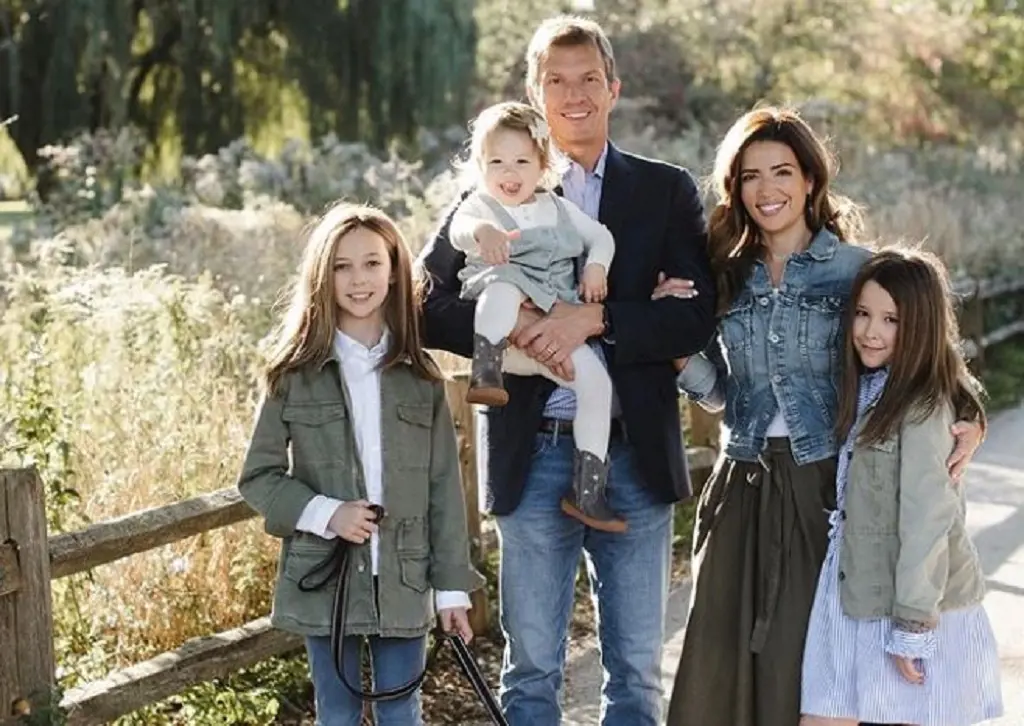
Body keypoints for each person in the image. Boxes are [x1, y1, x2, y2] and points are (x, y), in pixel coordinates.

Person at [416, 15, 717, 726]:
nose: (574, 94)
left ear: (613, 89)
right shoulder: (493, 187)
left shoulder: (664, 190)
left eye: (589, 80)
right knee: (531, 673)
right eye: (557, 80)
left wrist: (599, 319)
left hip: (634, 459)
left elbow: (694, 316)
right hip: (532, 454)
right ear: (535, 91)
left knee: (637, 675)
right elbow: (426, 304)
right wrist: (521, 322)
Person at [663, 107, 986, 726]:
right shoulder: (724, 272)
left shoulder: (856, 268)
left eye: (781, 171)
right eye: (750, 176)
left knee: (805, 671)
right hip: (741, 484)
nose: (766, 190)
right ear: (735, 188)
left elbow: (922, 350)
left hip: (823, 488)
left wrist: (970, 412)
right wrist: (677, 350)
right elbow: (721, 394)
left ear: (811, 179)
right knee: (718, 669)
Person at [236, 203, 485, 726]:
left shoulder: (421, 376)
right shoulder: (293, 373)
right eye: (342, 266)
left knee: (400, 713)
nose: (358, 280)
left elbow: (443, 488)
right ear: (322, 276)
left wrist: (452, 588)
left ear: (394, 270)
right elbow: (257, 478)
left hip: (406, 573)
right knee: (337, 713)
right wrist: (328, 513)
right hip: (326, 579)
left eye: (372, 263)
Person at [799, 247, 1002, 726]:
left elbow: (927, 517)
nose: (872, 331)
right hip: (852, 586)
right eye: (864, 314)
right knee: (825, 714)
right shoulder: (868, 387)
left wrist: (913, 624)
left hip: (908, 596)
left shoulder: (924, 406)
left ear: (921, 326)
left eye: (892, 319)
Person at [450, 100, 623, 531]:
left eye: (521, 161)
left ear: (543, 164)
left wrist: (597, 265)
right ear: (480, 165)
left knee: (597, 384)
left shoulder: (559, 209)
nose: (509, 174)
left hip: (553, 338)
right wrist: (481, 232)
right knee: (504, 287)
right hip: (509, 341)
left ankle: (587, 490)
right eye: (496, 162)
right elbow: (458, 229)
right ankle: (485, 371)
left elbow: (601, 237)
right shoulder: (481, 206)